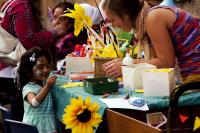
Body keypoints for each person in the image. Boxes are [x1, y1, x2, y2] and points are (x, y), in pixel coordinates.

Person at [102, 0, 200, 83]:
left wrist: (128, 66)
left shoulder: (153, 18)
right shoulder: (145, 21)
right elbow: (157, 61)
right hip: (191, 72)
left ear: (126, 14)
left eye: (113, 20)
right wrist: (127, 62)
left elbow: (166, 63)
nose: (113, 25)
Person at [0, 0, 67, 107]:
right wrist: (54, 33)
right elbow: (28, 40)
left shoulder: (11, 3)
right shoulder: (21, 4)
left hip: (6, 68)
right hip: (12, 71)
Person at [17, 47, 59, 133]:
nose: (46, 70)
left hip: (48, 125)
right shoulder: (28, 88)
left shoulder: (42, 85)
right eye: (40, 67)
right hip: (36, 127)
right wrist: (47, 87)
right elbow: (34, 103)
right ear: (28, 72)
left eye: (47, 66)